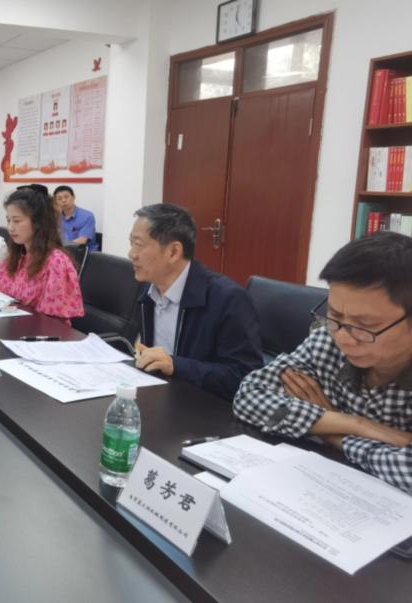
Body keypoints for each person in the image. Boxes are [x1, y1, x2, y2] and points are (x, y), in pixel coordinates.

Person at [234, 232, 412, 493]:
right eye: (335, 315)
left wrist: (330, 434)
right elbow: (249, 396)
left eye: (367, 325)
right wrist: (356, 424)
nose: (344, 338)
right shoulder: (329, 340)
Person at [130, 204, 262, 400]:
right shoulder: (148, 288)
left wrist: (176, 365)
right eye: (131, 243)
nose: (131, 254)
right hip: (159, 395)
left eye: (138, 245)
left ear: (173, 252)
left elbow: (245, 377)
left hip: (203, 407)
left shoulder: (228, 298)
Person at [0, 187, 84, 320]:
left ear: (38, 222)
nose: (11, 228)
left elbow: (52, 319)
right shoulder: (16, 257)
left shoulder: (55, 261)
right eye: (8, 220)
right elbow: (0, 298)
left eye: (17, 221)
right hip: (13, 324)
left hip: (42, 330)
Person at [53, 186, 98, 251]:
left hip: (83, 253)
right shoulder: (56, 217)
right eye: (59, 199)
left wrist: (58, 247)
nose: (63, 200)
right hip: (63, 251)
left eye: (66, 197)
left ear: (73, 197)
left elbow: (82, 241)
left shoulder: (87, 216)